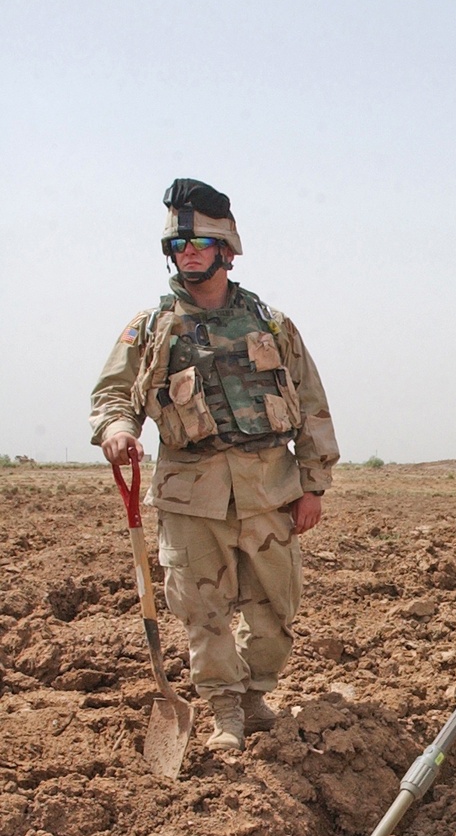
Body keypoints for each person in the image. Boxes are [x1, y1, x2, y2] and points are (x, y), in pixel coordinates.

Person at [91, 179, 340, 752]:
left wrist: (314, 485)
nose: (190, 253)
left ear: (227, 247)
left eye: (201, 241)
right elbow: (112, 394)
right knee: (202, 610)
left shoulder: (273, 323)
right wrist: (119, 428)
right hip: (190, 497)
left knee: (276, 610)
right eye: (180, 245)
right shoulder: (150, 328)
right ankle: (225, 711)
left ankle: (257, 695)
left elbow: (311, 406)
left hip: (271, 491)